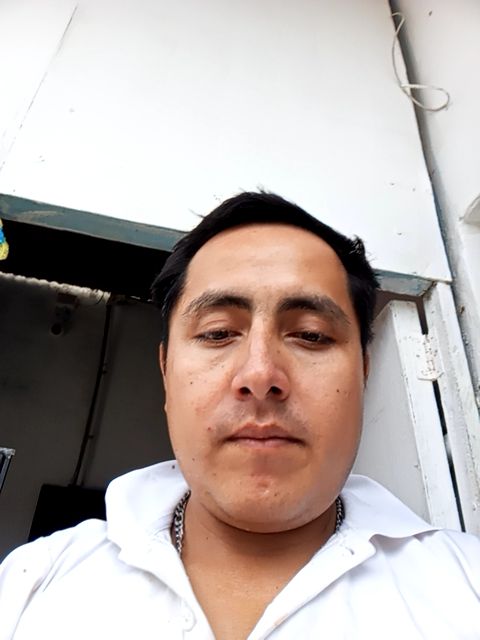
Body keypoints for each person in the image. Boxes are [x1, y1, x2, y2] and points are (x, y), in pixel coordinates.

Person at [0, 191, 479, 639]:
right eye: (217, 333)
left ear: (364, 374)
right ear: (166, 373)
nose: (260, 374)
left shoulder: (465, 589)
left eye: (311, 335)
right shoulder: (31, 584)